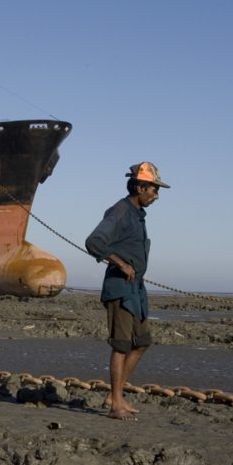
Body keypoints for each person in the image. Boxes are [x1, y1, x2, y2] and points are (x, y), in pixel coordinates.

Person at [85, 162, 170, 421]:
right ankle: (115, 405)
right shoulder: (121, 211)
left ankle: (116, 395)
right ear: (140, 187)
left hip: (136, 288)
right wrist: (120, 263)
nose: (156, 195)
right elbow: (94, 242)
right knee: (121, 346)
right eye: (154, 189)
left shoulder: (137, 214)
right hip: (120, 288)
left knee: (142, 342)